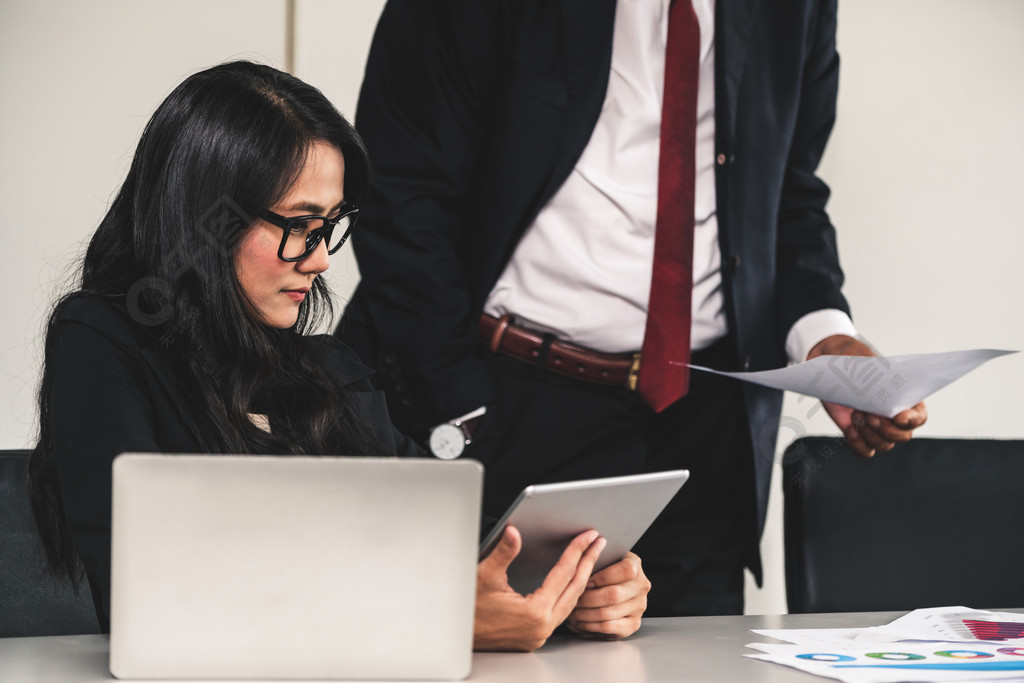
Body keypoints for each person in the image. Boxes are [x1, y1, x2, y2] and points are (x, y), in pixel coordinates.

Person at [27, 60, 649, 652]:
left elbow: (454, 531)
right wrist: (440, 618)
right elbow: (159, 587)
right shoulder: (102, 340)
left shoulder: (327, 368)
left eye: (329, 226)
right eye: (300, 224)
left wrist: (572, 585)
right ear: (208, 223)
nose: (322, 259)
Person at [336, 0, 928, 616]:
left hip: (706, 425)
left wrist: (824, 340)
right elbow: (400, 189)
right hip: (506, 400)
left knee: (699, 661)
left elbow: (788, 193)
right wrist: (461, 406)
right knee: (499, 649)